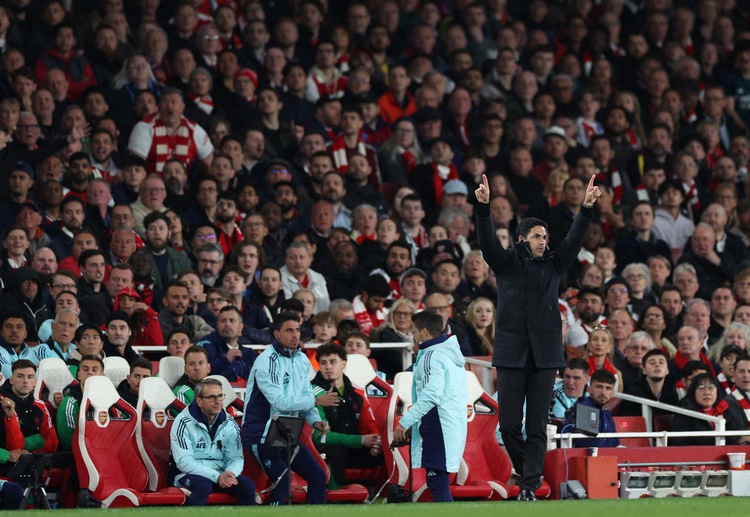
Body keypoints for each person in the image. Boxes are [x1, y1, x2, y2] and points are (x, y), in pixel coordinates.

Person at [474, 172, 601, 501]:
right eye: (536, 236)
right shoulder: (505, 263)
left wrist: (586, 209)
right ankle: (529, 470)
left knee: (536, 426)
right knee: (508, 425)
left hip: (545, 357)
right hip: (512, 355)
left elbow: (573, 239)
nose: (543, 241)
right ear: (521, 239)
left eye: (545, 236)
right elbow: (487, 243)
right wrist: (483, 208)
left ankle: (528, 486)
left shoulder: (555, 265)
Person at [241, 311, 329, 505]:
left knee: (318, 476)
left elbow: (305, 394)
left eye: (297, 330)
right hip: (260, 434)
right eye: (289, 330)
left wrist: (315, 420)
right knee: (282, 479)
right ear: (276, 334)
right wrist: (316, 401)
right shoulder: (267, 361)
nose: (295, 335)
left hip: (284, 432)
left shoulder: (302, 360)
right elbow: (280, 402)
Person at [393, 311, 467, 503]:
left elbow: (431, 396)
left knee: (437, 481)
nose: (412, 335)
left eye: (414, 330)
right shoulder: (450, 355)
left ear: (424, 331)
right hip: (450, 424)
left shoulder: (431, 356)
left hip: (438, 425)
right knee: (438, 479)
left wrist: (405, 423)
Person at [170, 378, 255, 506]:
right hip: (188, 474)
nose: (217, 401)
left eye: (220, 396)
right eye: (211, 397)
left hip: (222, 474)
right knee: (203, 486)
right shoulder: (182, 422)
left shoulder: (229, 423)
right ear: (199, 401)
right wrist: (217, 476)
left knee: (248, 486)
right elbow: (184, 462)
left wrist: (230, 474)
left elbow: (236, 458)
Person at [311, 343, 381, 488]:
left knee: (387, 450)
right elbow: (321, 437)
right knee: (335, 450)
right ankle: (335, 497)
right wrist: (361, 440)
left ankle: (385, 495)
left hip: (353, 449)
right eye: (323, 363)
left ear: (343, 363)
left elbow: (368, 425)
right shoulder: (313, 393)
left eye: (333, 362)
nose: (328, 367)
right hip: (325, 450)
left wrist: (375, 443)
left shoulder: (357, 393)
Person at [670, 373, 749, 446]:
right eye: (701, 388)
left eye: (711, 388)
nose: (707, 392)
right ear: (693, 392)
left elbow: (738, 434)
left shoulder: (726, 409)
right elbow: (680, 442)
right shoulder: (686, 412)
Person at [563, 369, 620, 448]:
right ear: (589, 389)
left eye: (608, 388)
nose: (603, 392)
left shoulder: (607, 413)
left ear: (612, 393)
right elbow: (591, 446)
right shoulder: (584, 410)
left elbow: (615, 444)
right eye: (599, 387)